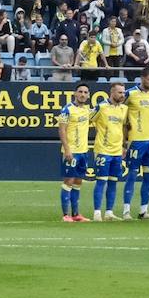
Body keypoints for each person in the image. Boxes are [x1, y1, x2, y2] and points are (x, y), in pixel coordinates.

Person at [121, 68, 149, 220]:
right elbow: (120, 114)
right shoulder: (130, 94)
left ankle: (143, 211)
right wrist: (124, 141)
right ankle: (126, 211)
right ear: (142, 78)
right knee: (132, 175)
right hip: (136, 140)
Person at [90, 82, 129, 221]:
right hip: (103, 150)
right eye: (120, 92)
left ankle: (109, 212)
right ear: (112, 93)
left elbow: (122, 127)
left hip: (117, 151)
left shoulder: (124, 109)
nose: (122, 95)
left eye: (123, 92)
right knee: (101, 181)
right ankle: (97, 213)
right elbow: (88, 119)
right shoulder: (101, 107)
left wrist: (124, 146)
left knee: (113, 181)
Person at [56, 82, 93, 223]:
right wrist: (67, 150)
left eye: (85, 92)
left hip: (83, 151)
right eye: (80, 92)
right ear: (75, 94)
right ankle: (66, 215)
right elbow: (62, 130)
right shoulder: (67, 109)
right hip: (72, 152)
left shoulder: (87, 110)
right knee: (68, 181)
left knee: (78, 181)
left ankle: (76, 214)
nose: (83, 94)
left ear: (88, 95)